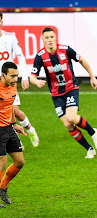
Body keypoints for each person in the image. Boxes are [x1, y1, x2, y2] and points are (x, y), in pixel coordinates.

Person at [30, 27, 97, 159]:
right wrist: (36, 82)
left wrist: (92, 76)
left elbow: (82, 60)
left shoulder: (65, 49)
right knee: (68, 124)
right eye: (47, 38)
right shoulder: (40, 57)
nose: (50, 40)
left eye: (52, 37)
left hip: (71, 88)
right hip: (56, 94)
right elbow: (32, 76)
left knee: (72, 117)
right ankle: (89, 149)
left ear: (55, 38)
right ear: (43, 40)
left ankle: (92, 132)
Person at [0, 12, 39, 148]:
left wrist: (24, 77)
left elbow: (21, 57)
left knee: (15, 112)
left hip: (9, 82)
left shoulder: (9, 38)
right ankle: (14, 140)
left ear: (1, 22)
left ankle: (30, 129)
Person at [0, 62, 27, 207]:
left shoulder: (12, 86)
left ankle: (2, 187)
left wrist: (14, 124)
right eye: (12, 76)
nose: (15, 79)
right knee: (2, 161)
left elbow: (9, 106)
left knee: (19, 162)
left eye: (17, 75)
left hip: (8, 128)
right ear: (3, 75)